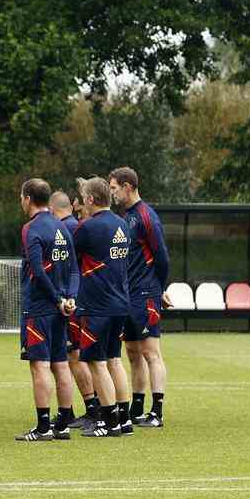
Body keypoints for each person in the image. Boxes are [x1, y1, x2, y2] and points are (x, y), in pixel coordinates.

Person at [14, 179, 79, 441]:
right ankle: (62, 425)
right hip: (61, 308)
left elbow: (38, 272)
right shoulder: (61, 227)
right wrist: (69, 297)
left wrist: (55, 299)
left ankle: (43, 428)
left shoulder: (31, 229)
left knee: (39, 366)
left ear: (28, 198)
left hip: (40, 308)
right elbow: (75, 267)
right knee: (61, 365)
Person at [70, 177, 133, 438]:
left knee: (96, 363)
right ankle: (125, 419)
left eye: (85, 196)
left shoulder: (87, 228)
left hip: (97, 306)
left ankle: (109, 423)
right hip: (120, 304)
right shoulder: (122, 225)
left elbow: (72, 258)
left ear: (91, 200)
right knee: (114, 360)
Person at [109, 167, 169, 428]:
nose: (111, 193)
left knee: (150, 352)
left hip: (145, 294)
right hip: (128, 294)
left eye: (113, 188)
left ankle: (157, 411)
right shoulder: (127, 216)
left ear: (127, 187)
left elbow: (162, 257)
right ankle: (137, 406)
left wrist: (158, 288)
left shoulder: (146, 216)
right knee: (132, 351)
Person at [56, 184, 99, 429]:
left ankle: (93, 408)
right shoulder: (75, 226)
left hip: (76, 301)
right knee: (77, 356)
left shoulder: (71, 229)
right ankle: (89, 408)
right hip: (79, 299)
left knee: (76, 355)